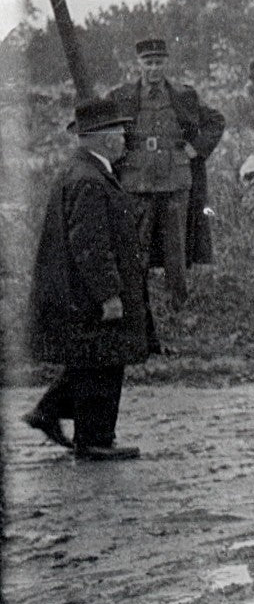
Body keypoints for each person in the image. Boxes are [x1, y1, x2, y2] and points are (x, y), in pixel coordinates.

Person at [25, 98, 150, 461]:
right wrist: (109, 294)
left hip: (77, 292)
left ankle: (50, 412)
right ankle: (94, 440)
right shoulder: (90, 180)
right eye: (117, 129)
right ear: (99, 137)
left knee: (93, 356)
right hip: (89, 293)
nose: (124, 135)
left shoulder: (83, 172)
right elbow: (90, 245)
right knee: (104, 358)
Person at [104, 37, 225, 329]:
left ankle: (178, 308)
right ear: (139, 64)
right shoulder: (120, 96)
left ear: (166, 63)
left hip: (175, 180)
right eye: (148, 62)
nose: (154, 69)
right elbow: (101, 126)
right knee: (136, 245)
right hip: (137, 180)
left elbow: (216, 121)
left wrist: (195, 149)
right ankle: (135, 308)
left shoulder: (184, 95)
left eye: (159, 62)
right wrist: (116, 153)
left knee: (176, 247)